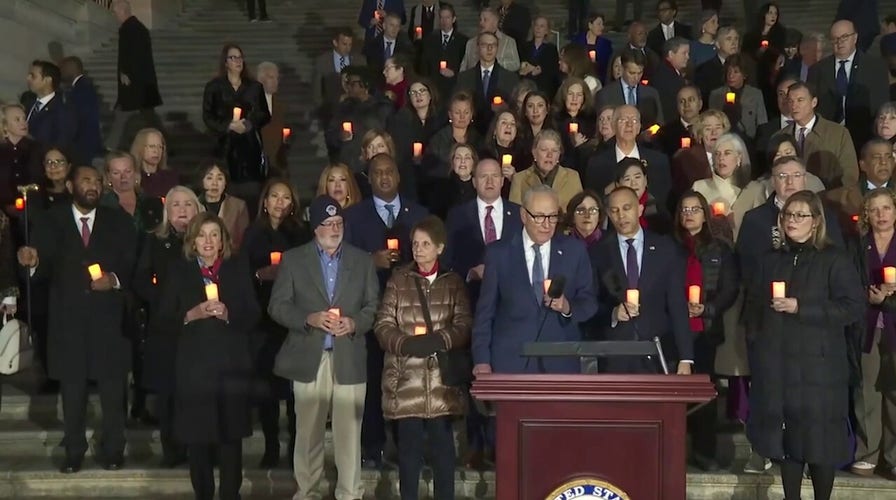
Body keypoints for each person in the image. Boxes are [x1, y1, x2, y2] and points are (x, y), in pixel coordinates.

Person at [17, 164, 137, 473]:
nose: (93, 185)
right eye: (86, 180)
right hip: (68, 323)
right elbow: (40, 270)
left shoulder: (119, 221)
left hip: (109, 323)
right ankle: (73, 450)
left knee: (113, 392)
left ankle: (113, 448)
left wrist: (114, 278)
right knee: (73, 393)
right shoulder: (49, 221)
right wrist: (31, 262)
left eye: (98, 181)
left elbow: (133, 263)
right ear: (70, 186)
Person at [744, 190, 863, 500]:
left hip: (819, 368)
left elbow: (852, 307)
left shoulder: (833, 259)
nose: (792, 221)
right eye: (788, 215)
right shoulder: (771, 260)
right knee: (788, 441)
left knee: (818, 441)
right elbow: (754, 306)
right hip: (780, 365)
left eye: (800, 215)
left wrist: (801, 307)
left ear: (816, 222)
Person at [269, 195, 380, 500]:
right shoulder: (294, 260)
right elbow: (277, 306)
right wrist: (309, 318)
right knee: (308, 433)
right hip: (309, 357)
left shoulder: (362, 260)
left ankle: (349, 493)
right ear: (314, 228)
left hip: (349, 356)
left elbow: (373, 306)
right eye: (328, 224)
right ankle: (307, 491)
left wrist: (355, 323)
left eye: (338, 223)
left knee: (349, 434)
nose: (334, 228)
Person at [153, 212, 259, 500]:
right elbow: (162, 319)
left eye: (214, 235)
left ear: (223, 240)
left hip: (231, 365)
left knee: (230, 437)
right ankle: (203, 493)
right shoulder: (179, 270)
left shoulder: (236, 268)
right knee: (198, 438)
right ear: (192, 241)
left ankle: (229, 494)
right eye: (202, 235)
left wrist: (229, 315)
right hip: (194, 368)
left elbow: (253, 314)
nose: (208, 241)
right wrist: (190, 314)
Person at [374, 215, 472, 500]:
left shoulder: (453, 283)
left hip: (442, 385)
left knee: (443, 455)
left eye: (425, 244)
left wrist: (441, 339)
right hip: (406, 382)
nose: (418, 249)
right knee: (409, 457)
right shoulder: (399, 280)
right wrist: (405, 344)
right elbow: (382, 324)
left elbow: (464, 324)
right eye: (415, 244)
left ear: (439, 247)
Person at [472, 184, 597, 374]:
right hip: (511, 362)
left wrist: (567, 307)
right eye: (539, 217)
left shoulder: (575, 251)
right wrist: (481, 360)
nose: (546, 225)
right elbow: (485, 313)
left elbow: (589, 303)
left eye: (552, 217)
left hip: (560, 363)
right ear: (523, 215)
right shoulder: (499, 253)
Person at [241, 179, 310, 468]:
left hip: (292, 320)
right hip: (262, 319)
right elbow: (242, 273)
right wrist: (260, 275)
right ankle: (271, 445)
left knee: (295, 391)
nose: (280, 203)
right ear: (265, 201)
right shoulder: (253, 234)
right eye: (274, 197)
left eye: (285, 197)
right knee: (267, 388)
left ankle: (296, 445)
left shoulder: (300, 233)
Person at [589, 186, 694, 374]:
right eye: (614, 211)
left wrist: (685, 357)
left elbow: (677, 304)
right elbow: (590, 303)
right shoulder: (598, 252)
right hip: (614, 356)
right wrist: (613, 313)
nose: (621, 216)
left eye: (627, 208)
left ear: (640, 209)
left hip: (657, 352)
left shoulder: (665, 248)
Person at [133, 185, 202, 468]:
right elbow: (139, 280)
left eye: (188, 204)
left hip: (201, 328)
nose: (183, 210)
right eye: (176, 205)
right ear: (166, 211)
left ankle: (199, 447)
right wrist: (162, 300)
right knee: (170, 393)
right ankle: (172, 450)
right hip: (167, 328)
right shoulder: (154, 241)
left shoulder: (209, 239)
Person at [673, 191, 739, 471]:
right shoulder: (669, 247)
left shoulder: (720, 249)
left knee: (704, 394)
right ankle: (674, 452)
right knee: (673, 395)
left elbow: (729, 289)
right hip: (675, 332)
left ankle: (704, 452)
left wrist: (708, 309)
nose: (689, 214)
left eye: (695, 209)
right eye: (684, 209)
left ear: (705, 213)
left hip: (706, 331)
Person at [849, 187, 896, 478]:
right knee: (866, 391)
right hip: (867, 327)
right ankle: (868, 452)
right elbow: (847, 281)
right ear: (866, 214)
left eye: (887, 208)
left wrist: (889, 300)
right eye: (875, 209)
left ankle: (893, 456)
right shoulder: (858, 246)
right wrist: (866, 296)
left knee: (894, 391)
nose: (881, 215)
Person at [202, 44, 271, 212]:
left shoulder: (254, 87)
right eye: (233, 57)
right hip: (224, 150)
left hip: (249, 151)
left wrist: (248, 124)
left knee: (251, 201)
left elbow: (264, 114)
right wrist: (228, 125)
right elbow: (208, 117)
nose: (238, 61)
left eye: (240, 57)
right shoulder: (214, 87)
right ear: (225, 62)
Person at [107, 0, 163, 151]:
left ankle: (112, 145)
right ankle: (161, 142)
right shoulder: (136, 27)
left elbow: (134, 54)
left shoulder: (131, 29)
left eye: (115, 11)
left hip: (135, 83)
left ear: (122, 11)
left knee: (126, 114)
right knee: (146, 115)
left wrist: (126, 72)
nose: (114, 15)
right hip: (141, 83)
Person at [509, 130, 583, 208]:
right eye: (544, 150)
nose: (549, 155)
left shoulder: (573, 177)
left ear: (558, 155)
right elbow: (515, 214)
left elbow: (579, 212)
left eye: (554, 151)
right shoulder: (519, 179)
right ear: (534, 153)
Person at [197, 159, 250, 250]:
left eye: (220, 178)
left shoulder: (238, 206)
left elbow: (244, 242)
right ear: (202, 181)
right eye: (209, 178)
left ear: (225, 182)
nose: (215, 183)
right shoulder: (194, 204)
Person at [130, 127, 179, 198]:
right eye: (152, 146)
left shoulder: (171, 177)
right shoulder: (131, 177)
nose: (156, 151)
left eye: (160, 147)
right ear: (139, 148)